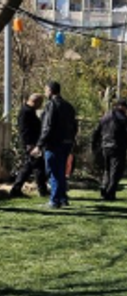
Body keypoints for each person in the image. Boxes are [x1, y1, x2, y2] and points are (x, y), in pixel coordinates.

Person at [32, 81, 77, 209]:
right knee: (61, 171)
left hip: (54, 143)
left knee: (53, 172)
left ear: (50, 91)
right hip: (66, 143)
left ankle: (54, 200)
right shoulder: (68, 106)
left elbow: (48, 126)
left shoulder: (51, 105)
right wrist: (71, 139)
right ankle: (62, 198)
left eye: (46, 90)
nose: (45, 92)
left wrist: (39, 145)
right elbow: (74, 126)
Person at [92, 99, 127, 201]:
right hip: (118, 147)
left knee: (107, 169)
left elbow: (96, 132)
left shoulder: (104, 117)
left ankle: (104, 189)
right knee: (116, 171)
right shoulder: (123, 118)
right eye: (125, 108)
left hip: (105, 146)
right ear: (120, 107)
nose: (126, 111)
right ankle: (110, 193)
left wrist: (94, 145)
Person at [10, 94, 47, 197]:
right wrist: (29, 145)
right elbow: (24, 130)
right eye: (40, 103)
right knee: (36, 166)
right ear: (36, 102)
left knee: (31, 167)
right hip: (30, 144)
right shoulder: (26, 112)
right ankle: (42, 190)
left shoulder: (29, 111)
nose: (41, 105)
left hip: (32, 144)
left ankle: (17, 189)